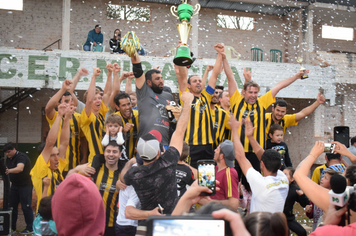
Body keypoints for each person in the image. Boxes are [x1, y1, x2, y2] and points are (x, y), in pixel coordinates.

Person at [224, 56, 306, 190]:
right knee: (233, 185)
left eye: (255, 92)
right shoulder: (236, 100)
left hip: (257, 153)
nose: (253, 95)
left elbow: (279, 86)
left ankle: (252, 210)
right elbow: (230, 77)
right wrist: (223, 57)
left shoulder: (262, 102)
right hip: (238, 152)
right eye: (250, 92)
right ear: (244, 92)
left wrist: (296, 76)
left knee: (254, 187)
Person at [120, 91, 193, 220]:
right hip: (170, 222)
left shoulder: (134, 174)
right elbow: (180, 132)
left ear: (139, 154)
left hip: (148, 225)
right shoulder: (168, 160)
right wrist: (187, 103)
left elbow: (123, 179)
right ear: (159, 152)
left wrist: (129, 163)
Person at [175, 43, 224, 168]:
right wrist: (181, 54)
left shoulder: (206, 97)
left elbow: (215, 75)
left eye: (199, 81)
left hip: (208, 145)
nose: (198, 82)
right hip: (191, 145)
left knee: (207, 180)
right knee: (191, 177)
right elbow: (182, 76)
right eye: (194, 81)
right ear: (189, 86)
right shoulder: (186, 96)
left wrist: (220, 54)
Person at [230, 117, 289, 213]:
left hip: (260, 226)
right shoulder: (283, 179)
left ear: (262, 164)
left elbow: (240, 157)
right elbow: (263, 156)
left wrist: (235, 130)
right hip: (277, 226)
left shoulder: (260, 183)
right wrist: (250, 137)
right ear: (279, 166)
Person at [31, 99, 74, 211]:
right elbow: (50, 143)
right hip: (45, 219)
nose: (57, 158)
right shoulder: (40, 169)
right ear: (44, 157)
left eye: (57, 154)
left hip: (58, 216)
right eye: (52, 155)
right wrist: (59, 115)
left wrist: (67, 119)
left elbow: (64, 144)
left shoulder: (56, 170)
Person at [293, 141, 356, 213]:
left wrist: (313, 154)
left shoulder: (336, 201)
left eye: (343, 173)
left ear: (347, 181)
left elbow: (298, 174)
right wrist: (350, 155)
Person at [129, 48, 173, 149]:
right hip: (146, 143)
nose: (161, 81)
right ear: (148, 82)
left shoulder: (168, 96)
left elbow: (173, 120)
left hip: (165, 145)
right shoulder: (144, 92)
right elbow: (138, 71)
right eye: (157, 79)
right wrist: (133, 54)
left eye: (162, 78)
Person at [45, 79, 85, 174]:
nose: (69, 103)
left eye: (71, 101)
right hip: (57, 165)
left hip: (75, 165)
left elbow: (83, 139)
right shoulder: (55, 116)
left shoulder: (79, 117)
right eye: (66, 101)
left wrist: (83, 158)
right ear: (59, 103)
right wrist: (63, 89)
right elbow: (48, 108)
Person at [80, 67, 112, 163]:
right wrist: (93, 77)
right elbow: (89, 100)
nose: (98, 100)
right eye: (95, 99)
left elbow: (108, 93)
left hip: (107, 157)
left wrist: (110, 73)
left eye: (99, 98)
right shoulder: (86, 116)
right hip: (95, 159)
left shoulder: (100, 113)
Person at [4, 142, 34, 234]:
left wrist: (9, 171)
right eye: (6, 152)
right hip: (15, 185)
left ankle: (30, 228)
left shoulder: (21, 157)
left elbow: (20, 168)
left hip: (25, 185)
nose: (7, 154)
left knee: (26, 207)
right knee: (12, 207)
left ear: (14, 149)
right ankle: (12, 228)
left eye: (9, 152)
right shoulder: (9, 158)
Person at [210, 140, 239, 210]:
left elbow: (233, 204)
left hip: (219, 217)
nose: (214, 150)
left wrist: (208, 202)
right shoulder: (215, 168)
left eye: (217, 149)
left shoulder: (230, 173)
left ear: (221, 156)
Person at [283, 167, 309, 236]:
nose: (282, 176)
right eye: (281, 174)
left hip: (288, 218)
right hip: (277, 218)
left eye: (285, 174)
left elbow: (305, 204)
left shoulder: (295, 190)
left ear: (292, 179)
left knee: (302, 232)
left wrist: (302, 195)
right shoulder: (277, 187)